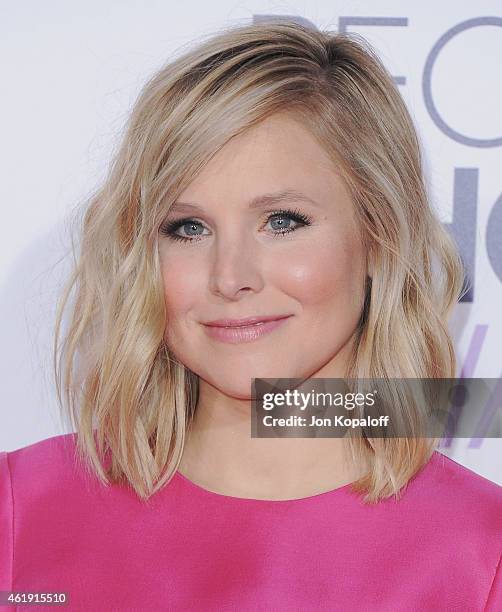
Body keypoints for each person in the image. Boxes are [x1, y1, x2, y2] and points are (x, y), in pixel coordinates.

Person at [1, 20, 501, 611]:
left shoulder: (480, 558)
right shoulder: (20, 513)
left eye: (282, 221)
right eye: (187, 228)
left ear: (379, 235)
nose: (230, 276)